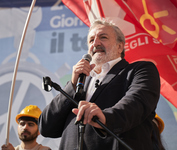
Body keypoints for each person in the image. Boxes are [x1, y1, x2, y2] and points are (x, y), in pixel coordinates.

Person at [38, 19, 161, 150]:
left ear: (120, 46)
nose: (95, 43)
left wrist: (106, 117)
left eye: (103, 37)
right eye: (91, 40)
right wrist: (72, 86)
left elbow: (136, 103)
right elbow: (46, 127)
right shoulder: (79, 83)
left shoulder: (140, 70)